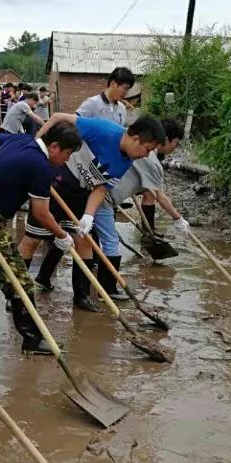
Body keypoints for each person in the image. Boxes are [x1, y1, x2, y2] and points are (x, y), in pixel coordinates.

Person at [0, 122, 81, 353]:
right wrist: (62, 235)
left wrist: (6, 169)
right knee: (19, 279)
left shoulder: (21, 140)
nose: (66, 161)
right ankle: (33, 339)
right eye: (67, 154)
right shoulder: (41, 166)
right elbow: (41, 213)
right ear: (55, 146)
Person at [18, 112, 164, 311]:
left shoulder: (127, 161)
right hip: (57, 181)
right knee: (33, 239)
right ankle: (17, 293)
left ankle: (82, 296)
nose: (146, 155)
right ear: (136, 139)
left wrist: (88, 215)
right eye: (147, 149)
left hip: (81, 191)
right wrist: (34, 148)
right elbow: (57, 117)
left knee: (84, 241)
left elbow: (101, 188)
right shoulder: (103, 130)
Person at [75, 66, 136, 301]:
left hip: (106, 176)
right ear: (112, 83)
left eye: (128, 89)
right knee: (80, 232)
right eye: (124, 87)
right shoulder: (92, 105)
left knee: (97, 233)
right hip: (85, 171)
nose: (125, 93)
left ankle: (105, 287)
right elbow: (74, 130)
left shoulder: (121, 110)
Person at [112, 118, 190, 237]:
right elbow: (161, 197)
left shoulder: (143, 148)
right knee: (109, 241)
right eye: (176, 142)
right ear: (166, 140)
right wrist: (178, 218)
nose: (176, 147)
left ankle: (149, 231)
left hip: (108, 190)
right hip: (108, 195)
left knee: (148, 192)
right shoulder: (149, 159)